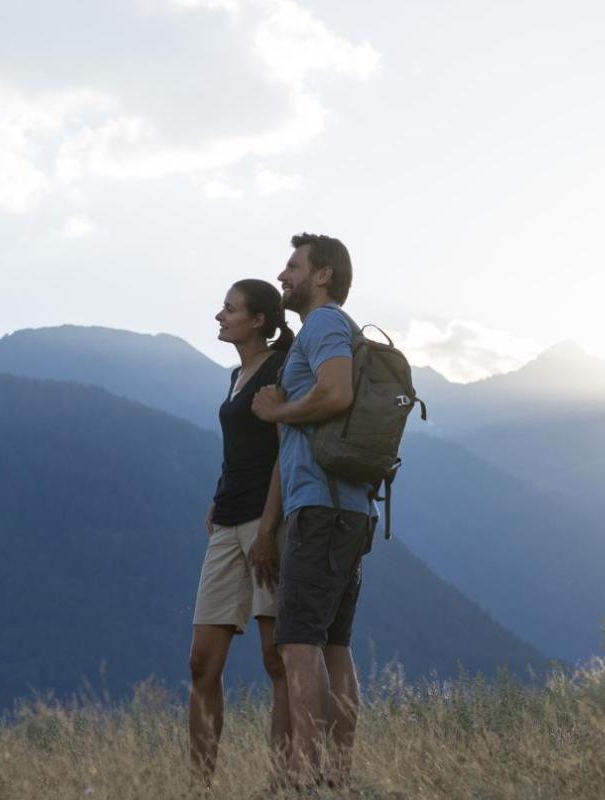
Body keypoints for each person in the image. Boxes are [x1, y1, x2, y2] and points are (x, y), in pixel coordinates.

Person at [250, 232, 376, 788]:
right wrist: (271, 524)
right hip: (343, 507)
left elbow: (336, 394)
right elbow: (307, 426)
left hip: (323, 509)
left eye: (292, 266)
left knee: (300, 643)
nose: (283, 275)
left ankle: (307, 776)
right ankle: (337, 778)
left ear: (322, 275)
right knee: (334, 646)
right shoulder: (329, 329)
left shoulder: (324, 325)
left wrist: (277, 411)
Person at [188, 278, 294, 786]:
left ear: (257, 320)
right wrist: (218, 493)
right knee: (201, 664)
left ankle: (281, 782)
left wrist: (269, 531)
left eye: (229, 309)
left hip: (263, 523)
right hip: (227, 522)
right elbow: (240, 449)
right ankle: (200, 786)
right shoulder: (236, 373)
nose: (219, 316)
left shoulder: (278, 370)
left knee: (277, 661)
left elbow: (283, 455)